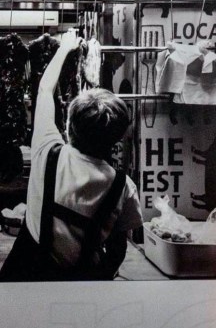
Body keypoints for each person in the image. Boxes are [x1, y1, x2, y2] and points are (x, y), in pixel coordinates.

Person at [0, 29, 142, 282]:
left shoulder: (47, 152)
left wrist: (64, 48)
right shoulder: (124, 187)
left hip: (24, 273)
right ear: (117, 138)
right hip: (81, 283)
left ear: (68, 126)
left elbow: (45, 90)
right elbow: (118, 248)